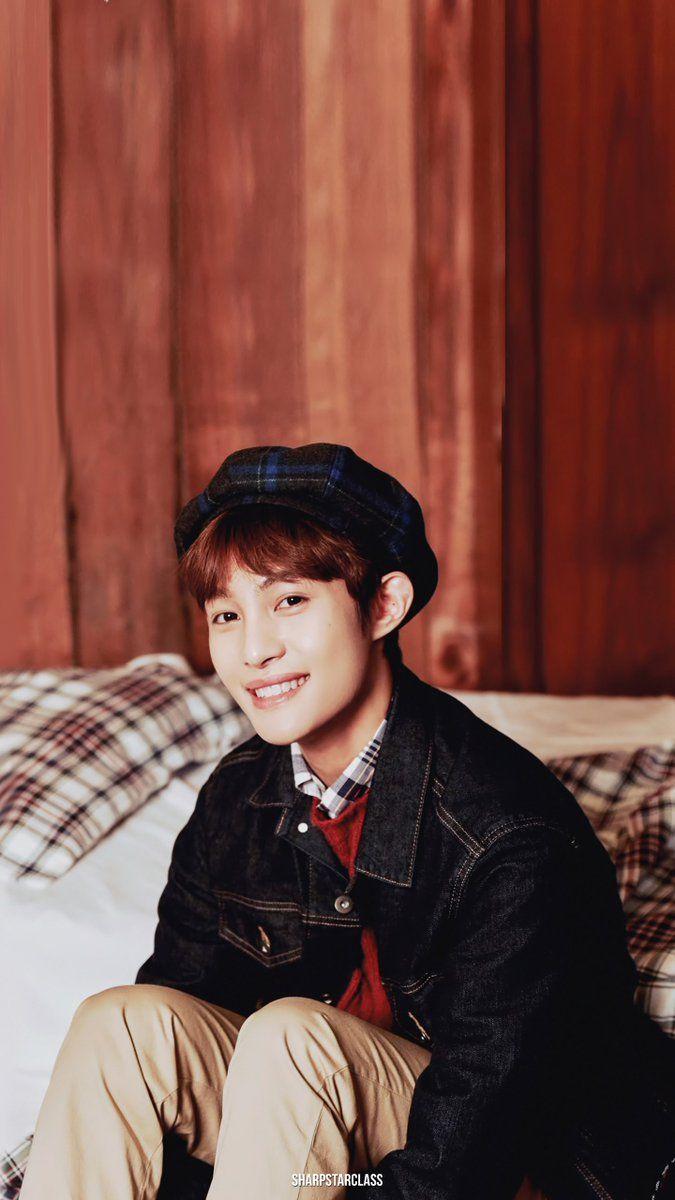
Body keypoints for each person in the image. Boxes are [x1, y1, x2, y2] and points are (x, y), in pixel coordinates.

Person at [20, 443, 675, 1200]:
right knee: (123, 1024)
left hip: (504, 1166)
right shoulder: (237, 798)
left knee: (293, 1037)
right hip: (320, 1162)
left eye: (289, 602)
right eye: (226, 615)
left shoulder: (505, 832)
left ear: (384, 606)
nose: (254, 650)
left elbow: (477, 1141)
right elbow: (180, 1032)